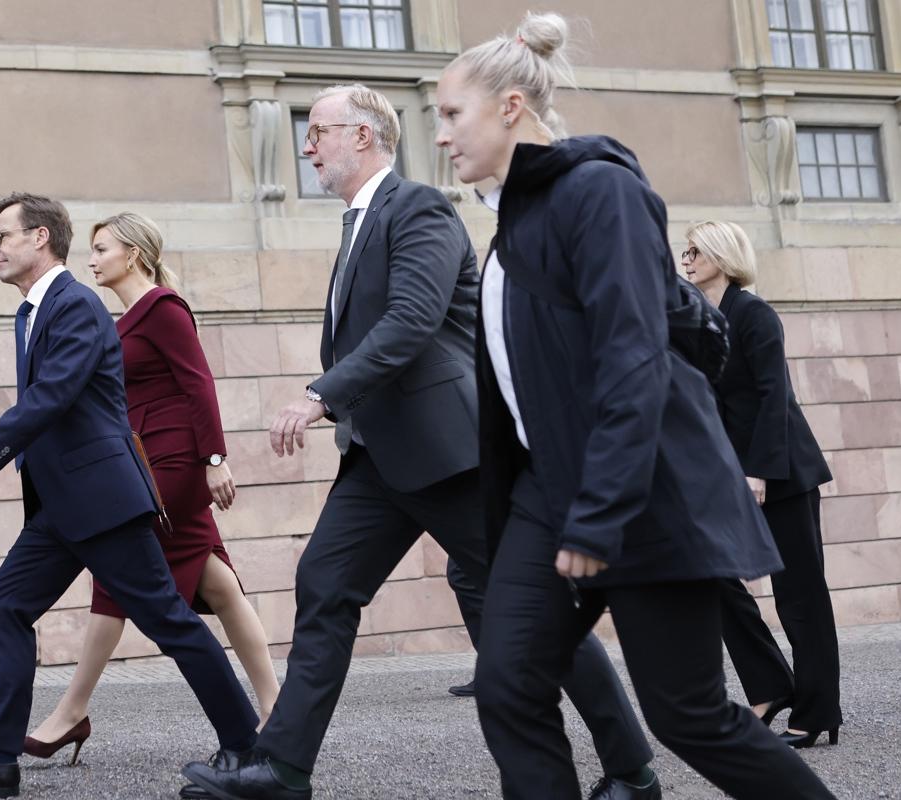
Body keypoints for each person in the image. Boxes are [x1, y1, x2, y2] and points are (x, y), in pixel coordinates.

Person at [183, 83, 658, 800]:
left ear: (365, 137)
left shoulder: (419, 208)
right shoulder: (355, 225)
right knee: (325, 583)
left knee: (536, 607)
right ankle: (281, 767)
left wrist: (320, 394)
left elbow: (410, 321)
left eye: (318, 131)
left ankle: (632, 770)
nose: (307, 146)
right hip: (379, 458)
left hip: (450, 455)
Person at [434, 12, 836, 799]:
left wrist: (599, 512)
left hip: (645, 497)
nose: (442, 135)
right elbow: (648, 334)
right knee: (508, 686)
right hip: (551, 495)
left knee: (687, 716)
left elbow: (634, 354)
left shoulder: (601, 191)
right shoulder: (513, 219)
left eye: (452, 114)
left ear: (511, 106)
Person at [0, 193, 259, 798]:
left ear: (40, 238)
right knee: (5, 605)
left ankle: (247, 746)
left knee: (169, 620)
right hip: (62, 505)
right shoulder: (32, 311)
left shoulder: (75, 305)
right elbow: (44, 412)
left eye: (3, 236)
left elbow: (52, 397)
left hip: (101, 498)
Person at [25, 213, 279, 764]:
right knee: (218, 584)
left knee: (117, 578)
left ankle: (71, 709)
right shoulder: (122, 320)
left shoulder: (163, 308)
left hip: (175, 464)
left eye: (100, 249)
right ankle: (275, 710)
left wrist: (215, 459)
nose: (90, 259)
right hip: (143, 462)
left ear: (133, 255)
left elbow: (198, 382)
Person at [683, 220, 842, 748]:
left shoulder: (755, 315)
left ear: (723, 258)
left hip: (781, 474)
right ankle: (771, 684)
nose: (685, 259)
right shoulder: (702, 319)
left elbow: (776, 398)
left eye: (695, 251)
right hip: (730, 477)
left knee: (799, 594)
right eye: (684, 251)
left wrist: (759, 472)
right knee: (716, 579)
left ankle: (819, 710)